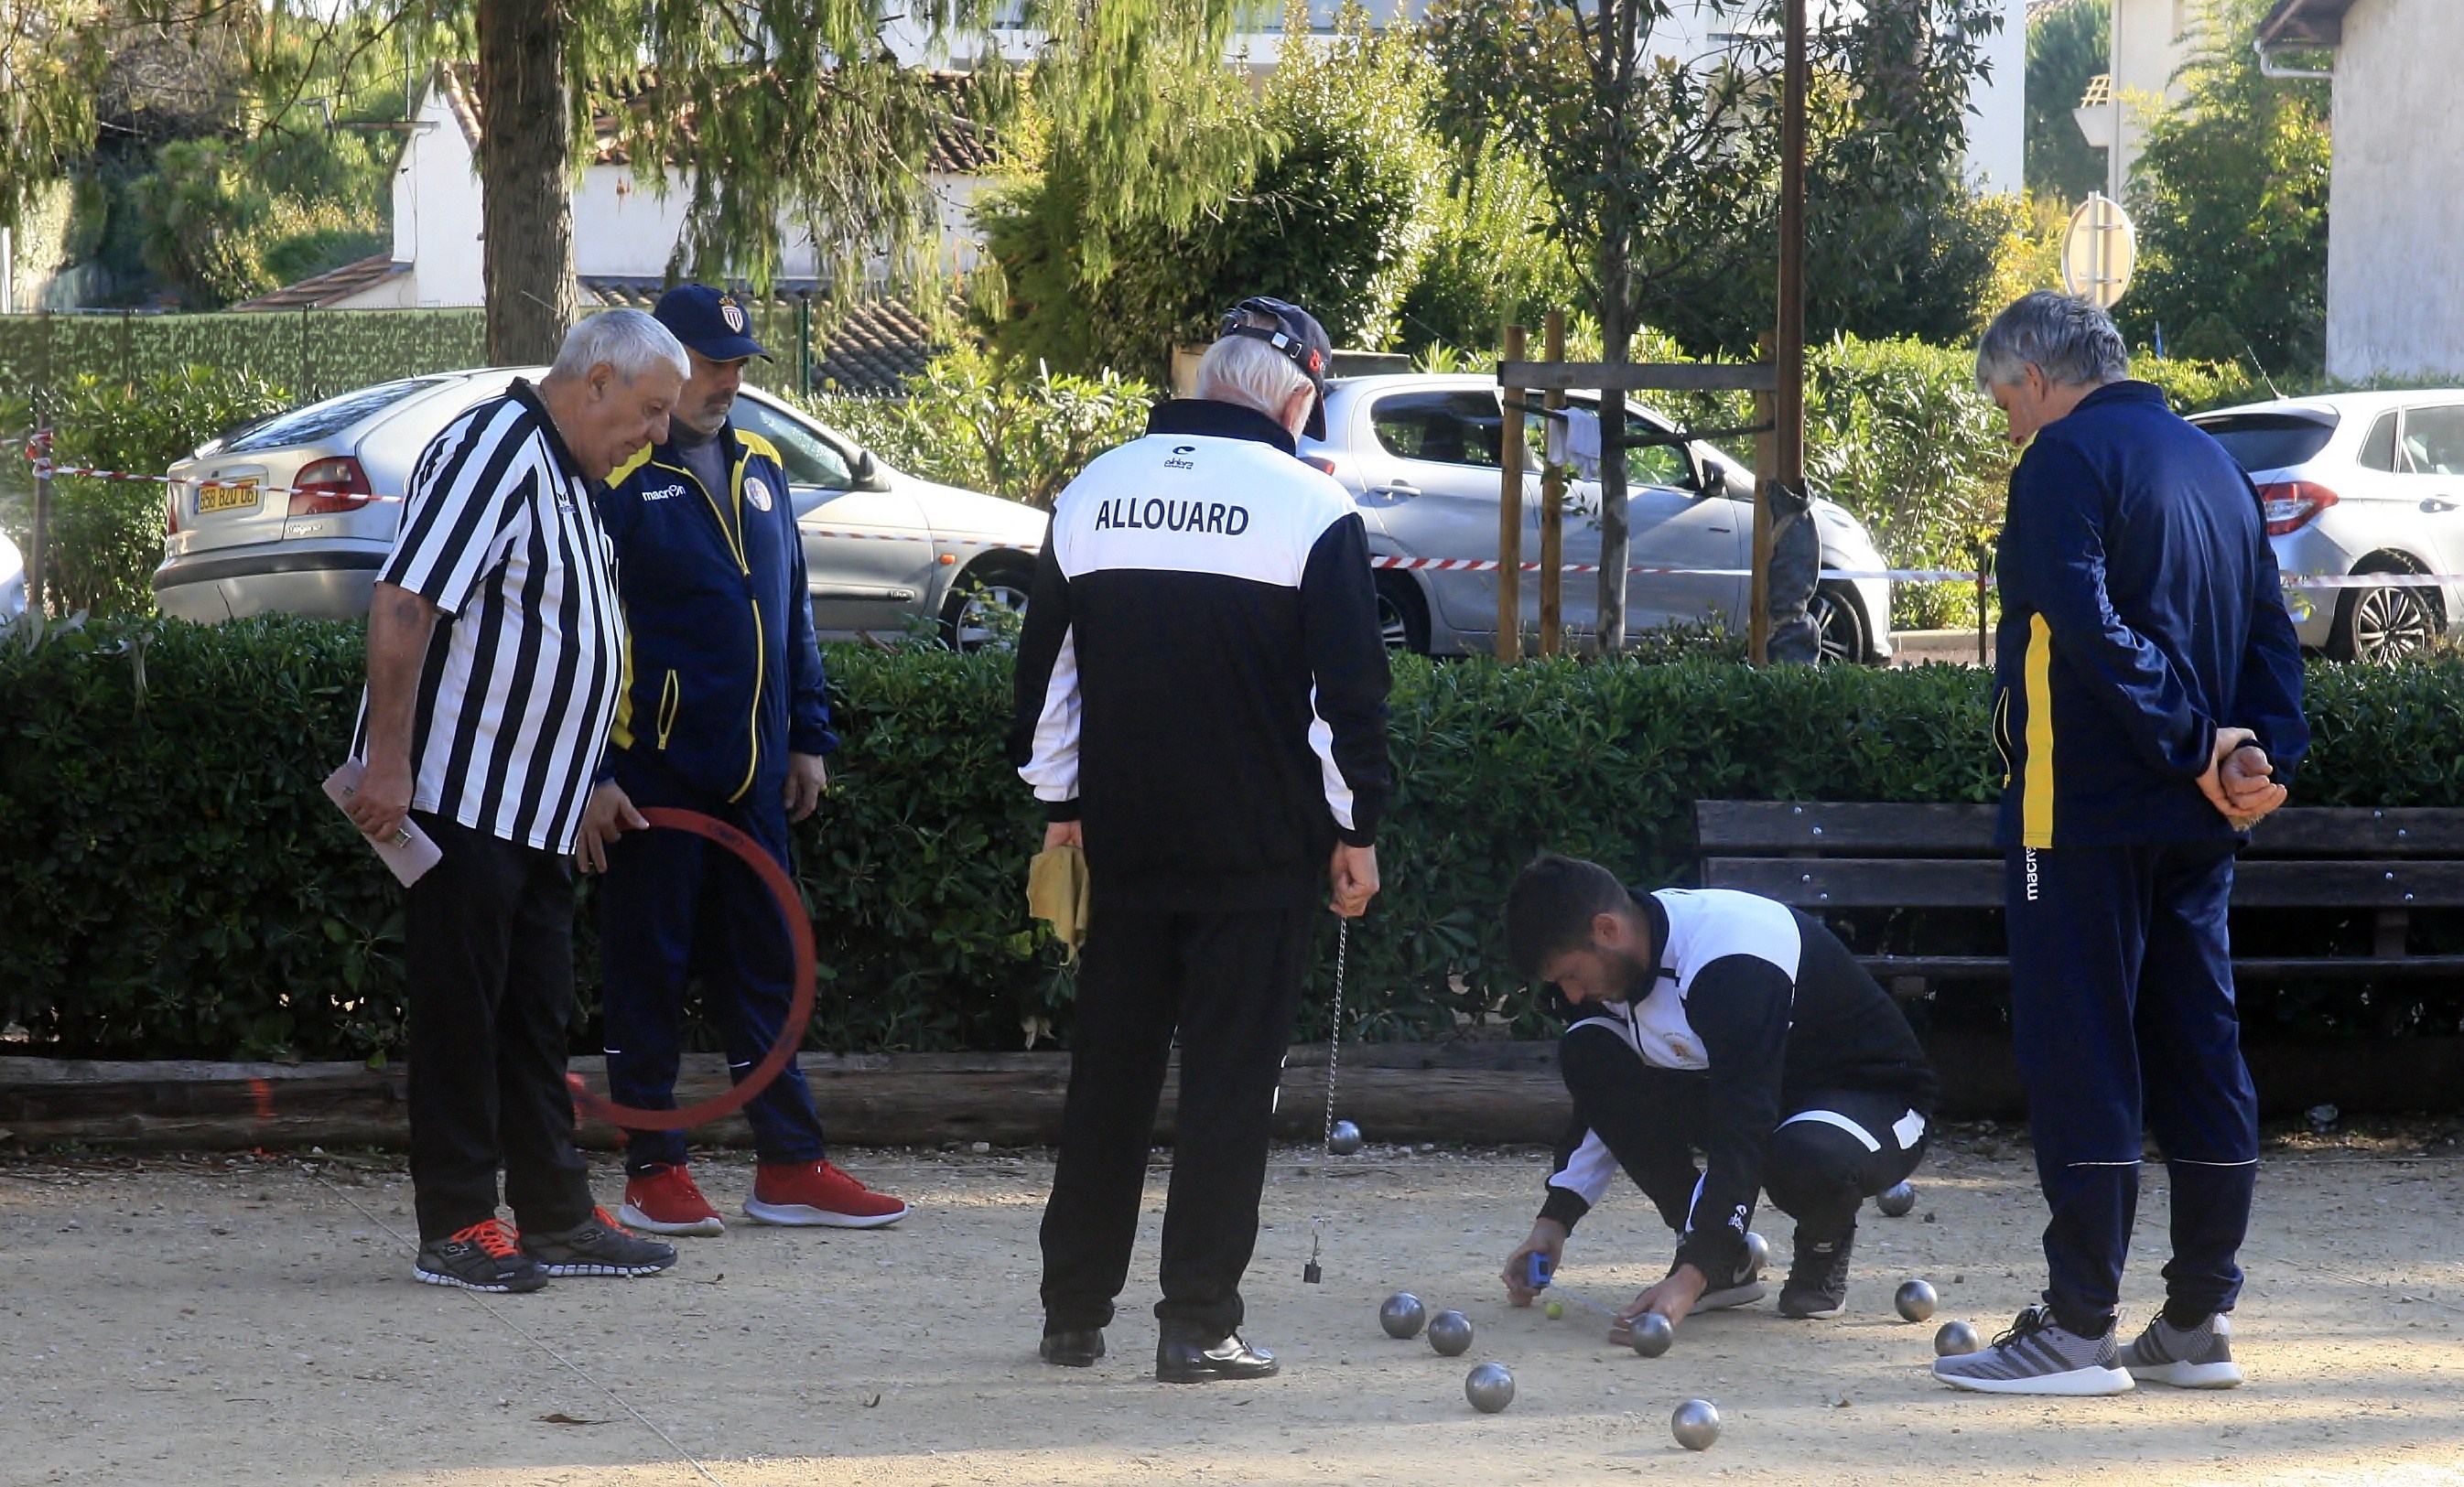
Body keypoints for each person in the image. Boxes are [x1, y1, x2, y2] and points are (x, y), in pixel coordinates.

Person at [1008, 296, 1391, 1383]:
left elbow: (1047, 681)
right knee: (1228, 1088)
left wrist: (1060, 802)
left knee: (1108, 1079)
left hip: (1123, 840)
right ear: (1299, 400)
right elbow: (1344, 699)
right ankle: (1197, 1321)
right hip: (1257, 853)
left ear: (1203, 379)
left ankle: (1072, 1312)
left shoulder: (1095, 488)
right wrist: (1357, 827)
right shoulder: (1312, 506)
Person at [1933, 292, 2307, 1396]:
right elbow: (2268, 633)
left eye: (2004, 396)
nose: (2006, 421)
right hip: (2196, 819)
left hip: (2077, 813)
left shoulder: (2060, 459)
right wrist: (2257, 757)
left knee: (2080, 1049)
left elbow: (2084, 624)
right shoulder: (2215, 464)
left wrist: (2194, 743)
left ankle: (2076, 1325)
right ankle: (2196, 1318)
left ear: (2037, 375)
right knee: (2200, 1046)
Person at [342, 309, 690, 1293]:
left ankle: (556, 1213)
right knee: (462, 1015)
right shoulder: (494, 447)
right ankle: (457, 1222)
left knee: (534, 1017)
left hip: (534, 806)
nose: (657, 433)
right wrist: (389, 763)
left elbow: (556, 641)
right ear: (596, 380)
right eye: (650, 409)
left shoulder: (571, 476)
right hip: (460, 796)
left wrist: (586, 781)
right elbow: (405, 600)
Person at [578, 285, 907, 1235]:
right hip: (652, 780)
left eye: (737, 365)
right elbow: (585, 633)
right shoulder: (619, 476)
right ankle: (653, 1171)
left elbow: (790, 608)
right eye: (712, 365)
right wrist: (596, 772)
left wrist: (808, 735)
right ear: (666, 366)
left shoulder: (762, 465)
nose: (727, 382)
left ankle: (791, 1163)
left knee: (766, 969)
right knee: (648, 976)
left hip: (756, 776)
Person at [1497, 855, 1939, 1338]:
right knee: (1589, 1047)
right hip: (1762, 1090)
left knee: (1806, 1158)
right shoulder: (1626, 960)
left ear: (1606, 930)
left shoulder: (1730, 961)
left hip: (1873, 1097)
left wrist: (1692, 1272)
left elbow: (1743, 1122)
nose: (1573, 995)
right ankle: (1725, 1267)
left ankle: (1821, 1251)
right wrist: (1554, 1223)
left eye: (1570, 976)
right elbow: (1603, 1103)